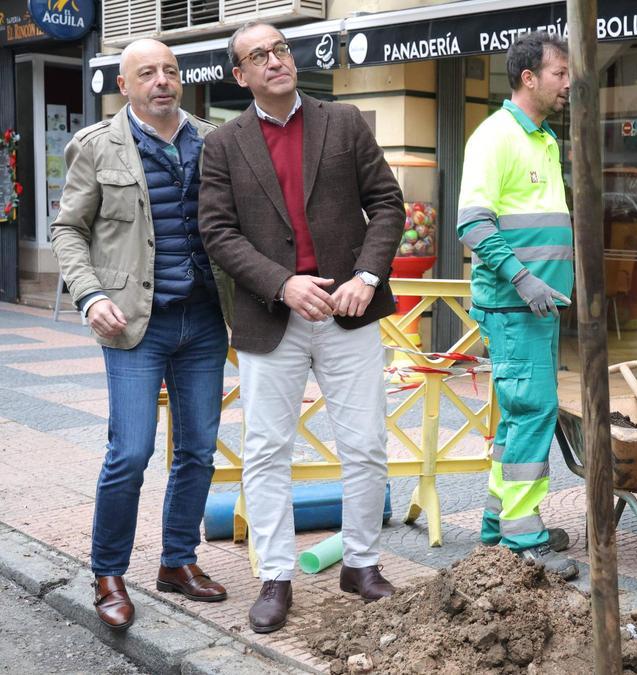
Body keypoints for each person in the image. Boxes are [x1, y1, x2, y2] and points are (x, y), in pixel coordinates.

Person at [197, 21, 404, 633]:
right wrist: (282, 284)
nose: (275, 60)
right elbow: (217, 233)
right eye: (258, 56)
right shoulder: (223, 145)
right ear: (241, 76)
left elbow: (387, 205)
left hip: (349, 310)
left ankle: (361, 563)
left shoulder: (342, 123)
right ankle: (276, 576)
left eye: (280, 49)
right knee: (265, 452)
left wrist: (366, 276)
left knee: (365, 444)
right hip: (271, 317)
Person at [51, 39, 228, 631]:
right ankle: (108, 572)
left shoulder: (212, 140)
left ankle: (177, 562)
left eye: (170, 71)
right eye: (146, 73)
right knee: (130, 452)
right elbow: (68, 229)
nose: (161, 81)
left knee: (198, 450)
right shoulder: (96, 147)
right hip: (132, 321)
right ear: (123, 85)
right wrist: (90, 295)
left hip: (203, 319)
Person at [456, 30, 578, 580]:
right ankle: (524, 536)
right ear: (528, 77)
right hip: (515, 307)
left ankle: (497, 523)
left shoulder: (543, 139)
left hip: (533, 308)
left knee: (516, 420)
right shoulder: (496, 137)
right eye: (559, 73)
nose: (568, 82)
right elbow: (472, 223)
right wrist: (524, 280)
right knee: (533, 414)